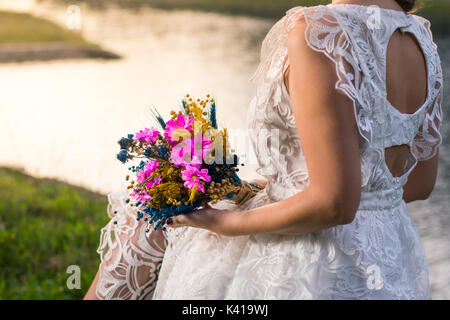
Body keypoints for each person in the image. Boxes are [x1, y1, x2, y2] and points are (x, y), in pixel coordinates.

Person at [84, 0, 443, 299]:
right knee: (149, 211)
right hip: (391, 262)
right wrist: (271, 188)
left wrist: (223, 222)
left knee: (149, 213)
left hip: (311, 266)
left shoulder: (318, 31)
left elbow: (335, 203)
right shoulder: (420, 39)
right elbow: (416, 184)